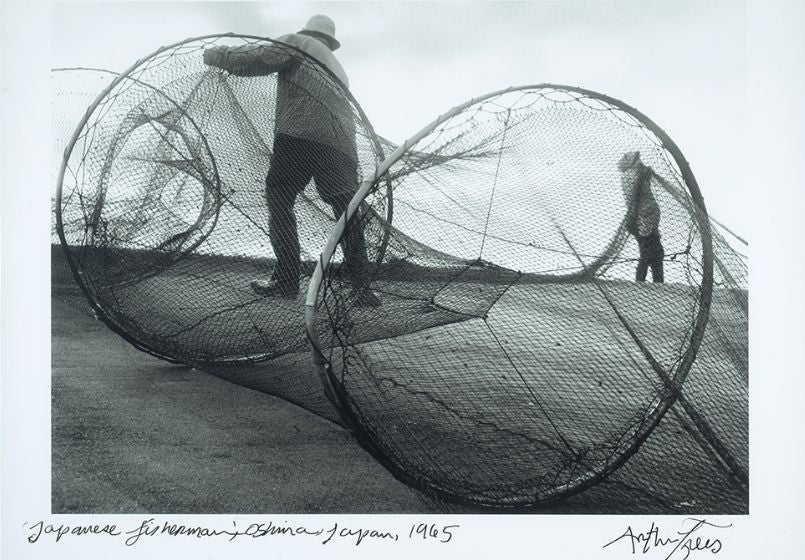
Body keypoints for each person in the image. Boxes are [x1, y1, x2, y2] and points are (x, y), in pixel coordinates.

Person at [203, 15, 380, 306]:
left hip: (300, 134)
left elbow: (260, 57)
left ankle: (285, 280)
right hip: (341, 145)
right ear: (330, 42)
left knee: (280, 198)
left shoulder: (298, 42)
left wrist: (219, 56)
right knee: (346, 212)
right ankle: (362, 288)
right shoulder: (340, 69)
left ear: (309, 32)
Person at [618, 151, 665, 283]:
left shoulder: (634, 174)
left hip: (646, 218)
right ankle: (644, 283)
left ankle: (651, 282)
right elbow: (637, 191)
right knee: (650, 253)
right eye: (637, 160)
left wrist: (646, 177)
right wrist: (644, 176)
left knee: (653, 252)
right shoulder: (630, 175)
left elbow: (642, 190)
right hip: (642, 219)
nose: (640, 162)